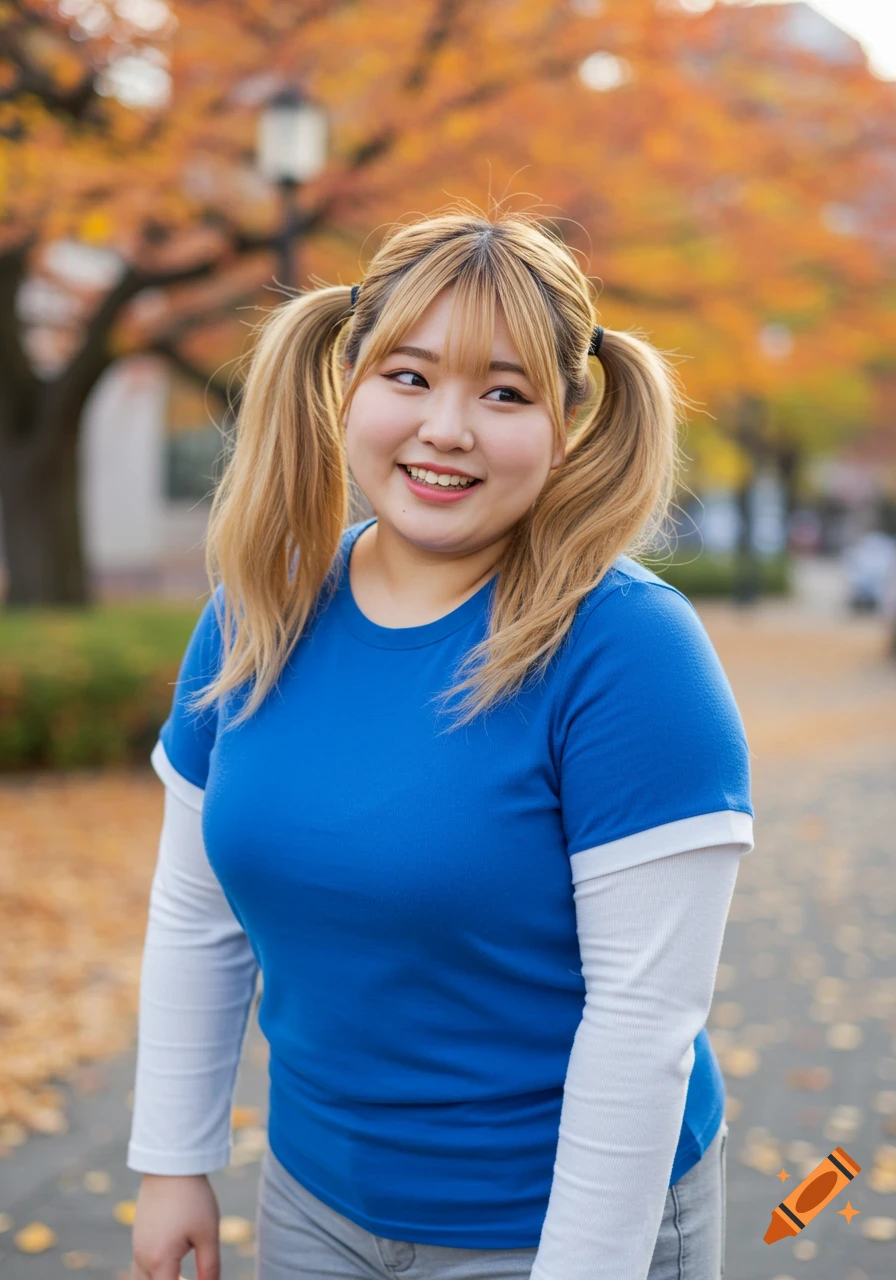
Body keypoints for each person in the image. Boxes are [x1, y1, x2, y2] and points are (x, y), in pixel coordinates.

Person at [127, 203, 753, 1280]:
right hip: (314, 1199)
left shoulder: (627, 651)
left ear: (567, 422)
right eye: (408, 376)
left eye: (502, 392)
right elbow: (196, 911)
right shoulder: (259, 606)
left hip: (561, 1221)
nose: (446, 427)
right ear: (348, 381)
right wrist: (171, 1159)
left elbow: (641, 1019)